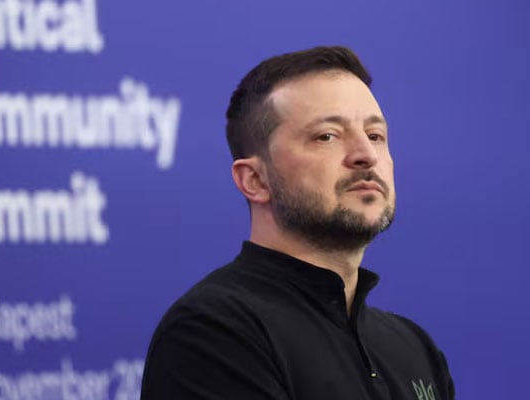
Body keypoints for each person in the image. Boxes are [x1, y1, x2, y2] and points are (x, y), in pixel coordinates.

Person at [140, 46, 455, 400]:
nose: (365, 154)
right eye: (327, 136)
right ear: (255, 181)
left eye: (375, 135)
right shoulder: (212, 332)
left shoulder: (415, 349)